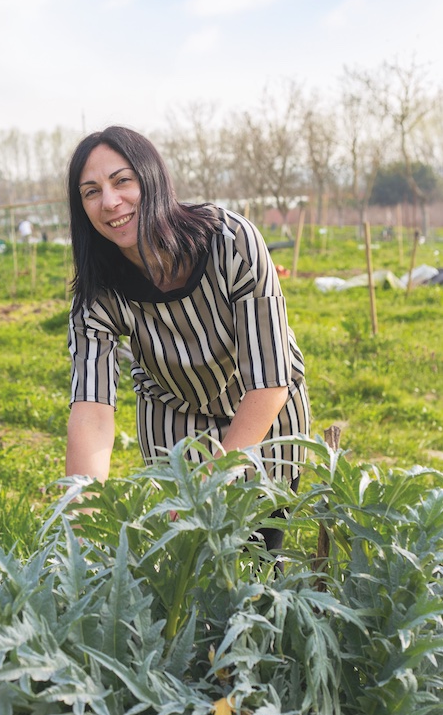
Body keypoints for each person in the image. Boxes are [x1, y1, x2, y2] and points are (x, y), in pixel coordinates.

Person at [65, 126, 310, 548]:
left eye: (122, 181)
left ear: (151, 178)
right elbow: (91, 414)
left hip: (262, 405)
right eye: (91, 192)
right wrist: (83, 520)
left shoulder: (230, 243)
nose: (110, 202)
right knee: (193, 558)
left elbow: (269, 381)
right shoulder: (98, 294)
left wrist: (211, 481)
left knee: (260, 550)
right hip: (175, 411)